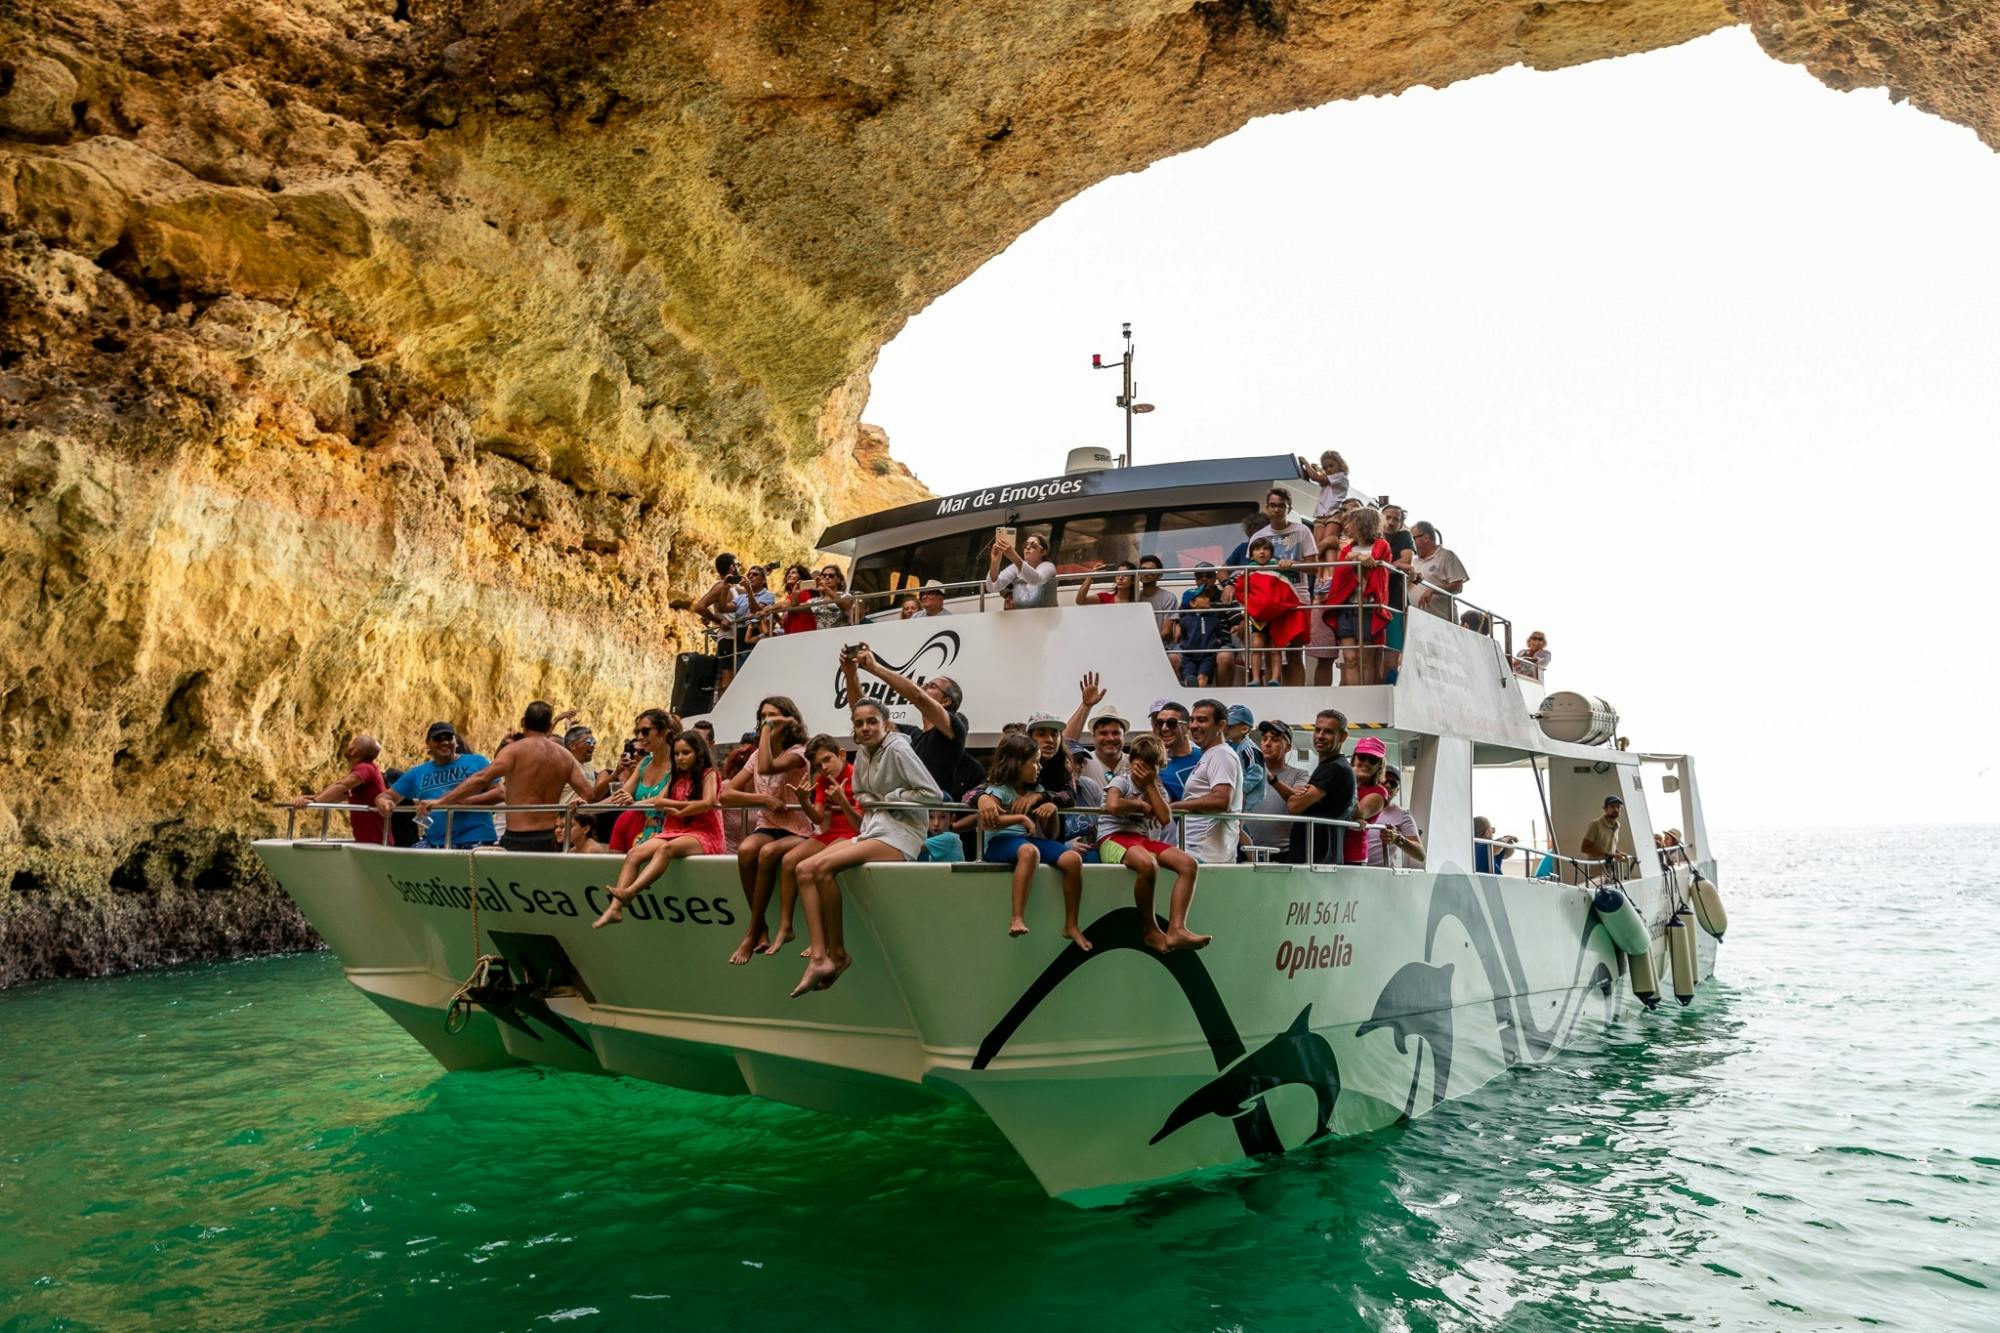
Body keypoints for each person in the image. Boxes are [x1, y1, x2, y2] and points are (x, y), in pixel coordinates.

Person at [791, 667, 944, 997]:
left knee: (821, 867)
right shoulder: (863, 754)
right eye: (859, 723)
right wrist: (869, 800)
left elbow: (932, 794)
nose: (864, 728)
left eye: (871, 721)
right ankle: (820, 956)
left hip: (900, 834)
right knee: (803, 868)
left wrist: (890, 798)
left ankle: (839, 954)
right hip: (874, 830)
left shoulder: (899, 749)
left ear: (885, 723)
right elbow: (860, 794)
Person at [427, 701, 598, 853]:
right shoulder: (565, 756)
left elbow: (482, 778)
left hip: (518, 837)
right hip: (549, 838)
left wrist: (442, 802)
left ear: (523, 722)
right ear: (548, 727)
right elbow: (589, 794)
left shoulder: (514, 751)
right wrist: (574, 805)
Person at [592, 732, 725, 926]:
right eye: (677, 754)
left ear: (699, 753)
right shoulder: (676, 776)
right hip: (673, 830)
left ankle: (630, 891)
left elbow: (708, 802)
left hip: (702, 832)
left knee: (665, 850)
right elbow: (660, 801)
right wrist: (683, 807)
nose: (680, 758)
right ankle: (614, 909)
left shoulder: (708, 774)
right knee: (634, 854)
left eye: (686, 753)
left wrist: (680, 811)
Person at [977, 734, 1090, 948]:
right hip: (1000, 842)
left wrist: (1052, 812)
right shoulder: (998, 790)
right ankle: (1017, 917)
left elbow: (1051, 834)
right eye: (1034, 762)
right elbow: (987, 824)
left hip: (1027, 840)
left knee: (1073, 859)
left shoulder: (1036, 791)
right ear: (1017, 763)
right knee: (1029, 852)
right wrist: (1020, 817)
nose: (1039, 767)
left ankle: (1071, 925)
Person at [722, 698, 813, 964]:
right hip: (769, 824)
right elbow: (727, 794)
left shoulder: (799, 753)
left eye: (772, 717)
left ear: (789, 719)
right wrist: (762, 800)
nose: (766, 722)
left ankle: (751, 932)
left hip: (799, 827)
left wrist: (767, 731)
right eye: (763, 717)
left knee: (768, 853)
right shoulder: (754, 755)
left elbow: (767, 767)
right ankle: (759, 927)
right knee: (747, 849)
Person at [1097, 734, 1207, 951]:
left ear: (1159, 768)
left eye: (1150, 767)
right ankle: (1150, 929)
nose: (1143, 772)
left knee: (1188, 864)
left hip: (1141, 839)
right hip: (1114, 837)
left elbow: (1165, 818)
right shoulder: (1122, 780)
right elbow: (1113, 805)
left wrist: (1150, 785)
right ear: (1131, 764)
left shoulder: (1157, 788)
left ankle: (1177, 928)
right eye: (1140, 766)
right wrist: (1139, 806)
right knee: (1147, 865)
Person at [757, 734, 858, 957]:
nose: (824, 767)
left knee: (812, 867)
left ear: (841, 754)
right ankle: (786, 926)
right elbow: (820, 818)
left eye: (827, 760)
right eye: (819, 765)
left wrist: (842, 800)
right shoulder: (822, 780)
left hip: (852, 834)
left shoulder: (856, 775)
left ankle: (823, 940)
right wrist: (804, 800)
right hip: (831, 833)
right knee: (789, 860)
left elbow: (860, 825)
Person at [844, 644, 978, 800]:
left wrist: (875, 668)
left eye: (931, 686)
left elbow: (918, 696)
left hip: (935, 819)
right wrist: (850, 674)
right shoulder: (911, 734)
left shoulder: (954, 729)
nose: (923, 687)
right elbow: (861, 711)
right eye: (925, 685)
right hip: (907, 818)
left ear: (946, 701)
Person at [374, 722, 500, 849]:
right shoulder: (418, 772)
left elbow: (500, 793)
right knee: (408, 862)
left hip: (476, 839)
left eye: (449, 738)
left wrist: (463, 802)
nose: (444, 742)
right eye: (438, 738)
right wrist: (384, 802)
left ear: (455, 741)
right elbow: (386, 796)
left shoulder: (477, 761)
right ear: (428, 743)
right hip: (435, 842)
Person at [1322, 506, 1395, 686]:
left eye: (1350, 522)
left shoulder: (1381, 546)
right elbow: (1342, 572)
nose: (1346, 526)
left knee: (1366, 659)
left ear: (1362, 523)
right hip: (1346, 607)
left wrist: (1356, 557)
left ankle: (1365, 697)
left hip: (1368, 607)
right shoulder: (1350, 548)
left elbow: (1376, 566)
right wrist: (1356, 556)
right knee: (1350, 658)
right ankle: (1354, 697)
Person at [1170, 699, 1243, 867]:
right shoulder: (1210, 754)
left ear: (1221, 725)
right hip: (1196, 853)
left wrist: (1177, 806)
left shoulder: (1221, 755)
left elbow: (1221, 800)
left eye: (1202, 720)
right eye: (1192, 720)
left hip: (1205, 857)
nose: (1194, 725)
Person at [1275, 710, 1354, 865]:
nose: (1320, 736)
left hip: (1316, 859)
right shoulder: (1330, 767)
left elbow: (1294, 805)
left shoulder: (1335, 768)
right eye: (1318, 730)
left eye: (1328, 732)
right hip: (1315, 856)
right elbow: (1297, 801)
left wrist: (1273, 780)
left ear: (1343, 736)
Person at [292, 733, 387, 845]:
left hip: (375, 841)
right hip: (370, 840)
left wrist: (314, 802)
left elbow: (341, 786)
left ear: (354, 751)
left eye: (352, 743)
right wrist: (308, 798)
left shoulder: (365, 768)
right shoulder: (367, 772)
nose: (348, 745)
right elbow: (338, 797)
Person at [1246, 721, 1307, 856]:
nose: (1267, 744)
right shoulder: (1249, 773)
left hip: (1283, 853)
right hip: (1247, 850)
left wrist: (1270, 778)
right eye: (1264, 739)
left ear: (1287, 747)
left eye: (1275, 740)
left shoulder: (1299, 775)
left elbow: (1297, 799)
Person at [1172, 563, 1236, 687]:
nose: (1204, 579)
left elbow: (1239, 621)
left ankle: (1224, 697)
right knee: (1173, 657)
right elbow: (1179, 627)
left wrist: (1237, 629)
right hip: (1190, 646)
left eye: (1209, 575)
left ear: (1215, 577)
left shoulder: (1225, 597)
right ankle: (1182, 692)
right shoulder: (1187, 604)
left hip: (1216, 645)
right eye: (1199, 576)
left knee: (1225, 656)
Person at [1060, 673, 1129, 788]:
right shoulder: (1084, 762)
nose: (1110, 738)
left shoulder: (1135, 762)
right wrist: (1085, 706)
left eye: (1116, 733)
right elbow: (1064, 745)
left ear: (1124, 736)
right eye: (1103, 733)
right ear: (1093, 736)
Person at [1378, 505, 1417, 684]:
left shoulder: (1404, 536)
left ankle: (1389, 689)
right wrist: (1395, 565)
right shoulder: (1372, 534)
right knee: (1370, 655)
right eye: (1388, 517)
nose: (1391, 522)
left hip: (1394, 601)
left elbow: (1406, 560)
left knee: (1391, 655)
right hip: (1371, 602)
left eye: (1396, 519)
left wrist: (1380, 569)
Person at [1368, 765, 1426, 867]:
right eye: (1384, 780)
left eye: (1393, 784)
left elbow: (1420, 855)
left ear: (1397, 791)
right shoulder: (1360, 808)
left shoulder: (1403, 815)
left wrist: (1397, 839)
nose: (1388, 785)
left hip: (1381, 876)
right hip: (1351, 869)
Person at [1411, 521, 1470, 622]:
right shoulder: (1413, 561)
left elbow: (1458, 586)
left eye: (1413, 538)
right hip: (1415, 620)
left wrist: (1432, 590)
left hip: (1441, 623)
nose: (1410, 542)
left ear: (1425, 538)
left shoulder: (1446, 556)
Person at [986, 530, 1056, 610]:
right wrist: (995, 562)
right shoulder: (1016, 566)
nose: (1028, 547)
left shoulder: (1048, 566)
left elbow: (1036, 580)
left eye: (1033, 545)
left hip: (1047, 617)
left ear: (1043, 552)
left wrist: (1013, 555)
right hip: (1022, 617)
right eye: (1026, 544)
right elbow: (993, 587)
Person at [1301, 450, 1351, 554]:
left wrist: (1305, 463)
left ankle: (1309, 559)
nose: (1328, 469)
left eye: (1331, 466)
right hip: (1321, 515)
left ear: (1340, 464)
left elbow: (1316, 477)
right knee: (1317, 544)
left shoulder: (1341, 477)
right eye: (1325, 467)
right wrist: (1317, 469)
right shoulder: (1329, 480)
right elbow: (1320, 478)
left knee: (1326, 544)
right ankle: (1317, 567)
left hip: (1334, 513)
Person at [1223, 704, 1266, 818]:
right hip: (1236, 800)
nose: (1225, 729)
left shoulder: (1249, 749)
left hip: (1249, 803)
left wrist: (1241, 790)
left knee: (1241, 830)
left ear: (1244, 729)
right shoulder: (1229, 746)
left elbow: (1256, 773)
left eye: (1230, 726)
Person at [1149, 699, 1199, 799]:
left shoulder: (1205, 755)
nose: (1164, 728)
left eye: (1172, 723)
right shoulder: (1155, 765)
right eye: (1159, 723)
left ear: (1187, 725)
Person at [1136, 555, 1181, 649]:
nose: (1146, 573)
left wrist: (1146, 645)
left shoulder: (1168, 597)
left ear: (1159, 575)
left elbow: (1166, 632)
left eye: (1150, 570)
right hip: (1138, 646)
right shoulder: (1135, 597)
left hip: (1162, 647)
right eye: (1143, 569)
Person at [1579, 795, 1632, 871]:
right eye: (1612, 807)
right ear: (1605, 809)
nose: (1616, 809)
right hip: (1597, 872)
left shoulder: (1617, 825)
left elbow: (1607, 845)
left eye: (1618, 807)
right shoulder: (1596, 824)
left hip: (1611, 870)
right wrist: (1610, 854)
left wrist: (1618, 852)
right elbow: (1585, 848)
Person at [811, 565, 858, 630]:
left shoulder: (846, 596)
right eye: (824, 575)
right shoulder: (815, 600)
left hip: (840, 636)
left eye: (831, 576)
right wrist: (795, 592)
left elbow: (846, 606)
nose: (827, 578)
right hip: (820, 638)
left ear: (839, 579)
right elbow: (794, 606)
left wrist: (826, 589)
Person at [779, 563, 819, 637]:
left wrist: (769, 608)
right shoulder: (790, 596)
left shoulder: (803, 591)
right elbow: (784, 624)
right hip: (792, 636)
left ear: (801, 577)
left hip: (803, 636)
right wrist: (775, 615)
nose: (789, 575)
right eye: (788, 573)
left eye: (793, 573)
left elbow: (785, 605)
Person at [1073, 561, 1138, 606]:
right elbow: (1080, 601)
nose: (1120, 578)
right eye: (1118, 574)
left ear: (1133, 580)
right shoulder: (1105, 597)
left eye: (1125, 575)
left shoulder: (1137, 600)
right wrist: (1091, 576)